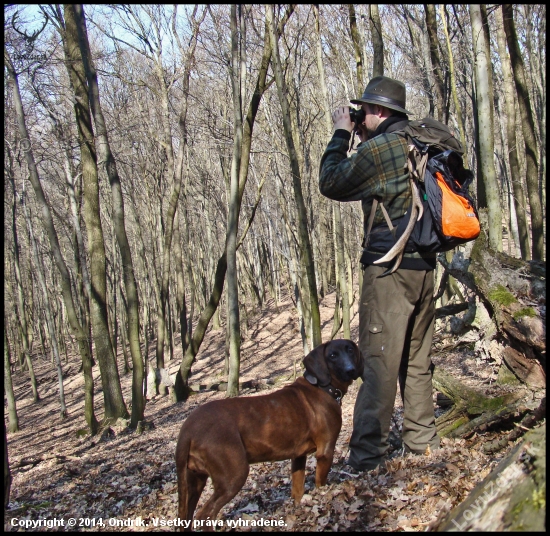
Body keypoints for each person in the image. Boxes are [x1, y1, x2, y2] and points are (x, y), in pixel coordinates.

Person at [318, 76, 440, 472]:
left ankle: (368, 456)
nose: (361, 116)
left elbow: (331, 182)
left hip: (390, 270)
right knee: (417, 361)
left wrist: (340, 133)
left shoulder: (384, 148)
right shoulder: (419, 141)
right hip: (424, 267)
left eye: (366, 110)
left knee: (379, 363)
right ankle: (423, 443)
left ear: (381, 112)